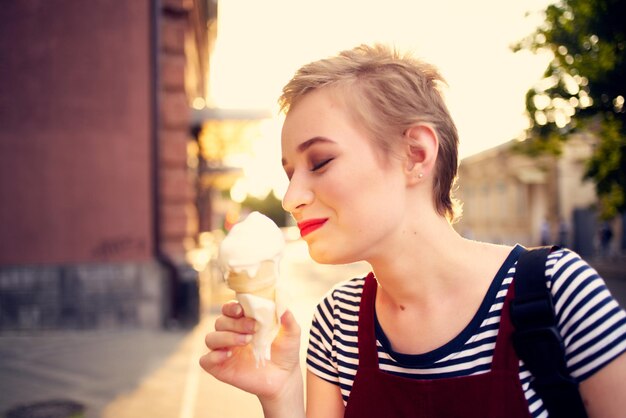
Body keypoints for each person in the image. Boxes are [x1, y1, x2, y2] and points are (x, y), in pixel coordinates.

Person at [200, 44, 626, 417]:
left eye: (320, 162)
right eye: (290, 173)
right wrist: (281, 393)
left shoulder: (556, 293)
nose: (292, 197)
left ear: (416, 154)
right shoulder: (337, 322)